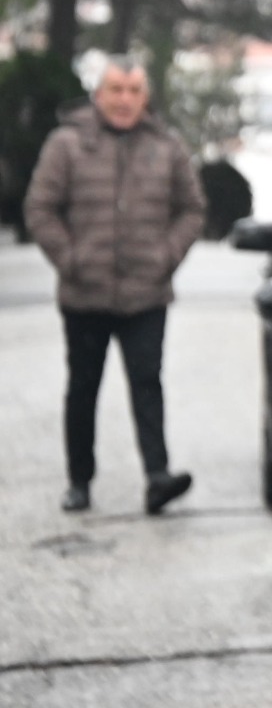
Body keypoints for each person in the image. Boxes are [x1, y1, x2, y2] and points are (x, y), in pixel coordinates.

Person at [24, 55, 206, 516]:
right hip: (84, 293)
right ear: (98, 94)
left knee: (147, 383)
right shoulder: (67, 144)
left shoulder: (166, 146)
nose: (125, 100)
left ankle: (158, 477)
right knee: (83, 387)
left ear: (145, 98)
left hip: (147, 293)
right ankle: (79, 481)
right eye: (116, 90)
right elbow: (40, 208)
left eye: (134, 91)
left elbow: (192, 209)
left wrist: (167, 257)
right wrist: (71, 259)